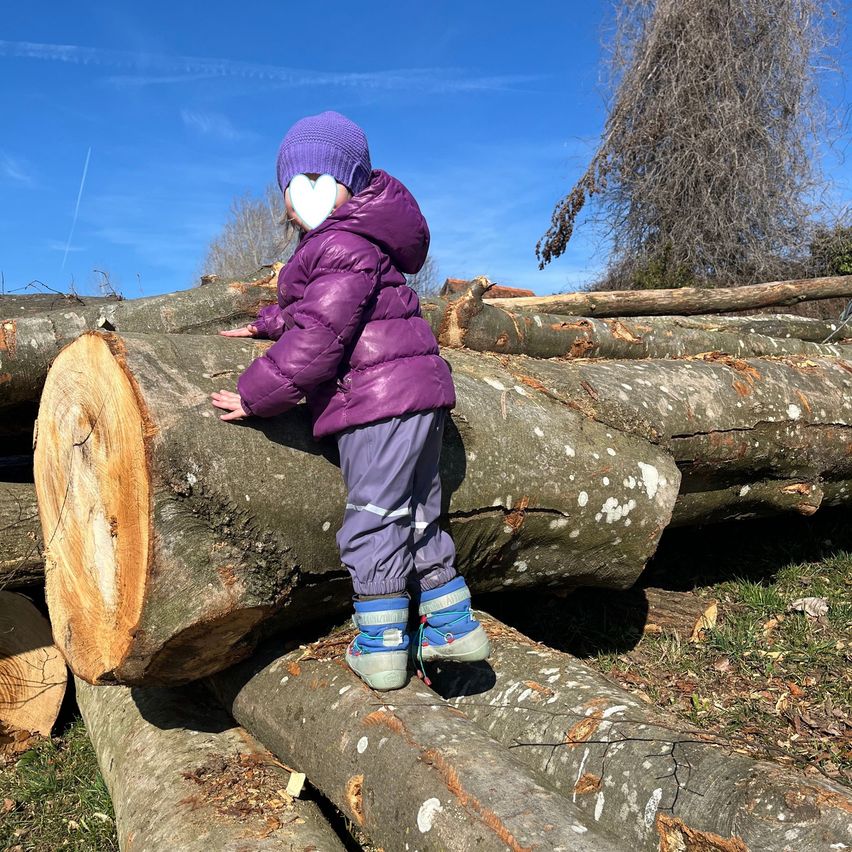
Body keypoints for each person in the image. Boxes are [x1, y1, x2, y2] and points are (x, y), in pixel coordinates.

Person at [211, 111, 490, 691]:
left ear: (340, 182)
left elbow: (317, 340)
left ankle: (383, 646)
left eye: (305, 183)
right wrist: (268, 322)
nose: (294, 202)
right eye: (290, 188)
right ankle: (451, 626)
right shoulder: (363, 241)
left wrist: (252, 394)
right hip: (419, 396)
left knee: (373, 518)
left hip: (376, 402)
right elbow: (321, 309)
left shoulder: (338, 243)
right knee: (418, 513)